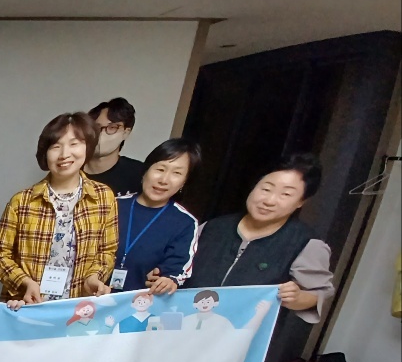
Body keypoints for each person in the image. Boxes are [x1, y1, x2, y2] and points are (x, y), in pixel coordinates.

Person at [0, 112, 118, 308]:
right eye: (56, 146)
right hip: (28, 306)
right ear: (45, 153)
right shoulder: (22, 201)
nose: (64, 154)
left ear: (88, 147)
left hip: (78, 306)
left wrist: (93, 277)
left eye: (74, 144)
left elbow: (107, 251)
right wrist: (25, 282)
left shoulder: (103, 197)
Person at [189, 153, 335, 322]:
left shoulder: (306, 243)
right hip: (187, 325)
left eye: (286, 194)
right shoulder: (211, 228)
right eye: (266, 189)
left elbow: (318, 294)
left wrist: (296, 298)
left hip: (244, 333)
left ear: (301, 202)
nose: (269, 201)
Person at [112, 138, 202, 294]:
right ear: (146, 171)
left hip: (142, 303)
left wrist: (168, 280)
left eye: (177, 173)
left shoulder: (185, 222)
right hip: (92, 299)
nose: (164, 180)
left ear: (184, 182)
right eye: (160, 169)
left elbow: (177, 269)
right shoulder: (112, 205)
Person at [85, 97, 145, 196]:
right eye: (96, 127)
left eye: (112, 127)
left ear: (126, 132)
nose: (102, 133)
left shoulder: (140, 174)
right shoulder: (70, 170)